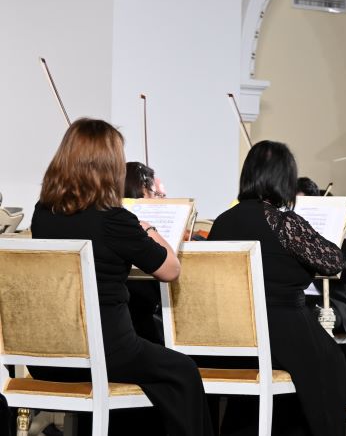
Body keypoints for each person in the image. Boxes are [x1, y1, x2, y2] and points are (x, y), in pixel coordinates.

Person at [30, 118, 213, 436]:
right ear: (109, 167)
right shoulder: (115, 220)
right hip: (107, 353)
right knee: (183, 371)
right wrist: (146, 227)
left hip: (49, 358)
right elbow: (170, 269)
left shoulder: (43, 213)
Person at [207, 141, 346, 436]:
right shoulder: (283, 222)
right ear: (283, 179)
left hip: (233, 335)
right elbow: (333, 262)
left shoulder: (221, 222)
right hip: (281, 328)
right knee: (331, 359)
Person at [297, 177, 346, 338]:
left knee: (307, 318)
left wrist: (323, 256)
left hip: (337, 301)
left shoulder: (338, 225)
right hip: (302, 299)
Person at [124, 161, 166, 344]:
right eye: (158, 195)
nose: (164, 201)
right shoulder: (133, 231)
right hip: (142, 330)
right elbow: (170, 271)